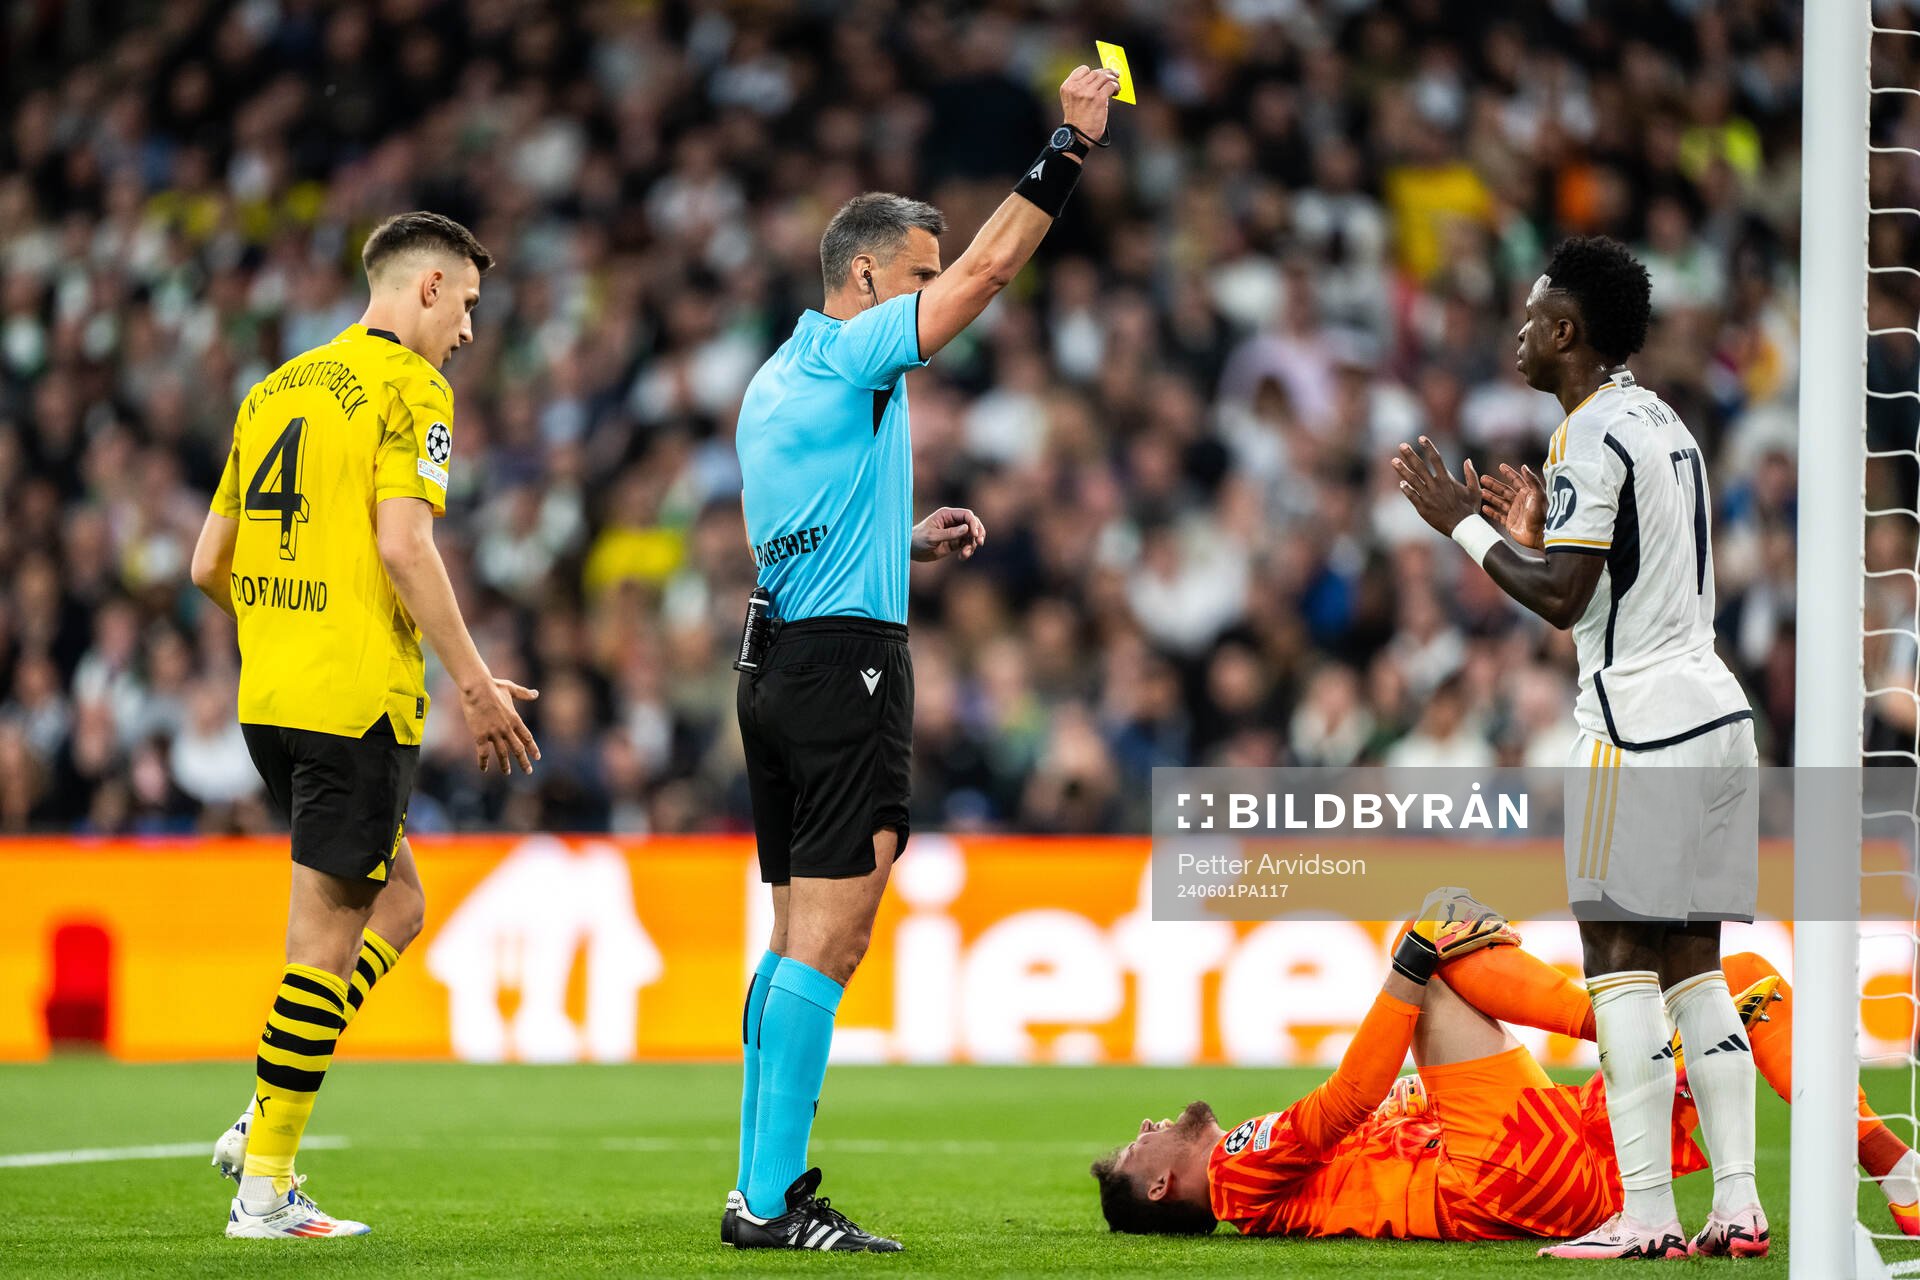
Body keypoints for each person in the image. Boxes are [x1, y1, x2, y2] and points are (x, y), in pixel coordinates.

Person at [723, 65, 1122, 1253]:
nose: (930, 295)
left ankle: (758, 1186)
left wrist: (902, 542)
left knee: (797, 933)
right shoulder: (853, 356)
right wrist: (1068, 146)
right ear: (861, 279)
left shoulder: (773, 382)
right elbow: (992, 273)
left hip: (780, 656)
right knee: (834, 935)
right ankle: (772, 1196)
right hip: (843, 667)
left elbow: (800, 534)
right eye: (913, 276)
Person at [1391, 236, 1763, 1258]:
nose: (1516, 332)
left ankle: (1645, 1214)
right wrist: (1539, 530)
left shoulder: (1589, 433)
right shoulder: (1660, 420)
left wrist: (1462, 527)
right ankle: (1737, 1202)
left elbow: (1564, 601)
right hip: (1718, 717)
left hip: (1635, 725)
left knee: (1618, 968)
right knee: (1696, 970)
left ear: (1566, 332)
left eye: (1529, 316)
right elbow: (1604, 578)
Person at [188, 211, 540, 1239]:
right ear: (426, 287)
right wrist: (472, 681)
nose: (469, 331)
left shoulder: (275, 387)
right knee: (321, 949)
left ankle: (262, 1115)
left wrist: (292, 625)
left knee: (400, 905)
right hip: (353, 705)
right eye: (467, 303)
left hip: (272, 699)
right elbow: (404, 543)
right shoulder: (412, 387)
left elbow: (209, 564)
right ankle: (264, 1190)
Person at [1090, 890, 1920, 1251]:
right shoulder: (1233, 1169)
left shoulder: (1273, 1189)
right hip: (1500, 1171)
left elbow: (1374, 1125)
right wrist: (1410, 962)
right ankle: (1618, 1025)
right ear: (1164, 1189)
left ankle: (1895, 1167)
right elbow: (1349, 1098)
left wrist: (1416, 1097)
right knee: (1432, 947)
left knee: (1737, 986)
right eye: (1138, 1152)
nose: (1146, 1129)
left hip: (1569, 1170)